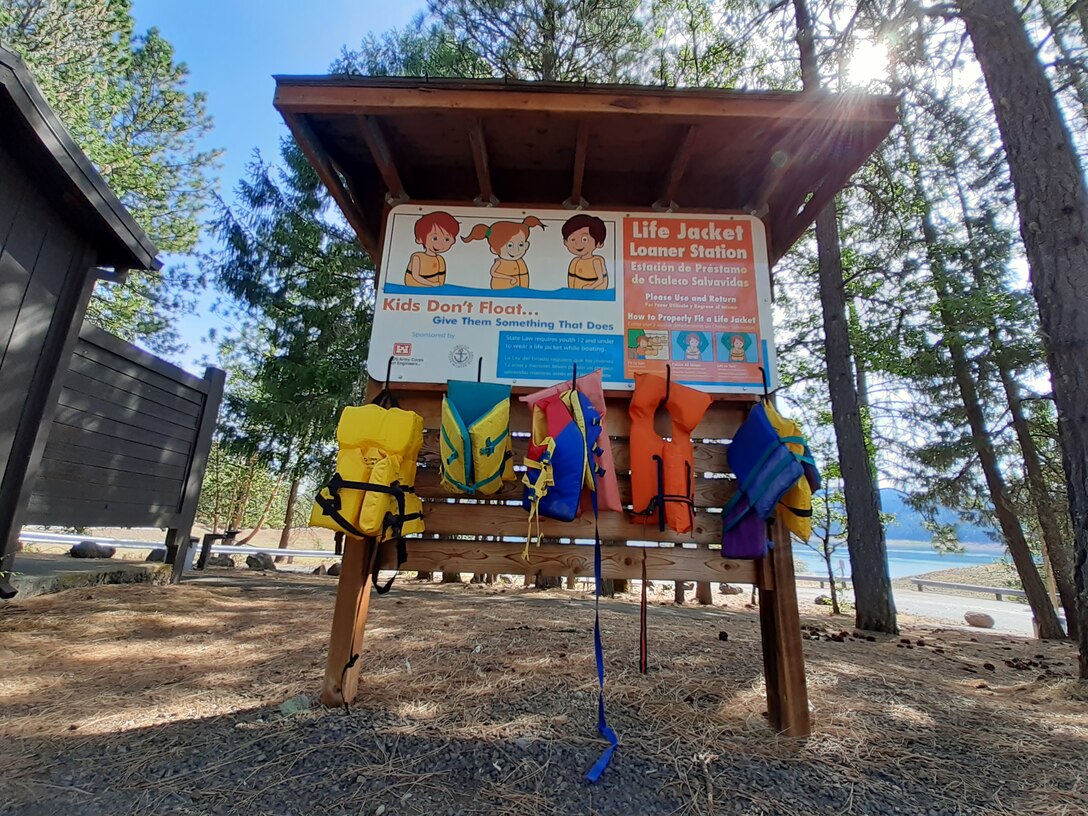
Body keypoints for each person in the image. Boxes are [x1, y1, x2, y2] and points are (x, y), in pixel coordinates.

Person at [462, 217, 545, 289]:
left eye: (520, 244)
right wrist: (509, 278)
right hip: (502, 291)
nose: (516, 250)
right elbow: (493, 273)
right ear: (494, 249)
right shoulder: (500, 262)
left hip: (521, 293)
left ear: (526, 245)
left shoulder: (520, 261)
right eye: (509, 245)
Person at [405, 211, 459, 287]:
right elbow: (415, 276)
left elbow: (441, 278)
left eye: (446, 239)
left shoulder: (440, 259)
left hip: (433, 289)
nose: (441, 244)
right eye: (435, 238)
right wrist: (432, 284)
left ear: (453, 241)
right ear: (419, 239)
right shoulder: (417, 257)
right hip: (415, 286)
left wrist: (439, 288)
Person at [562, 214, 609, 290]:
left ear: (598, 243)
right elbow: (571, 280)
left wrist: (591, 287)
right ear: (565, 242)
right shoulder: (575, 262)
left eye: (584, 239)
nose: (578, 244)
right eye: (572, 239)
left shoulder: (596, 260)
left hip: (595, 294)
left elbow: (601, 280)